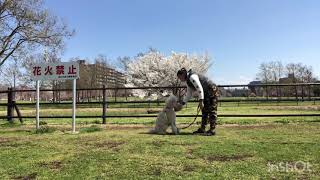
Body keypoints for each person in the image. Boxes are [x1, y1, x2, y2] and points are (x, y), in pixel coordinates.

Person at [177, 68, 219, 136]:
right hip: (205, 92)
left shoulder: (192, 77)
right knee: (204, 110)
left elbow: (199, 88)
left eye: (179, 77)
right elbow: (189, 94)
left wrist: (201, 100)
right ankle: (203, 129)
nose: (180, 79)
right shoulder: (188, 80)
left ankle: (212, 130)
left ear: (183, 74)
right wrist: (183, 103)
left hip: (211, 90)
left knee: (212, 110)